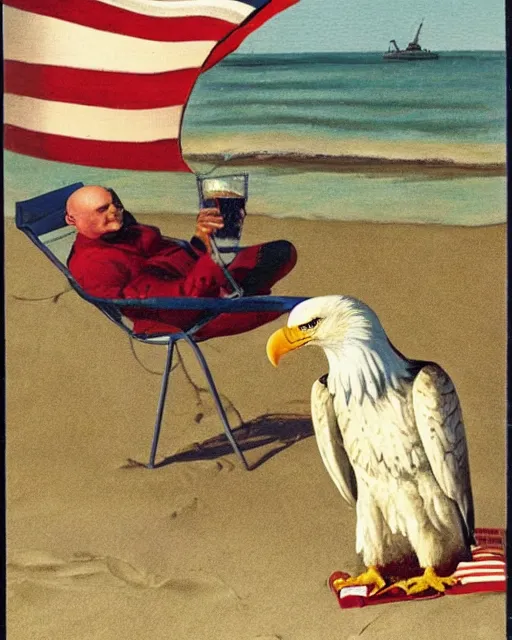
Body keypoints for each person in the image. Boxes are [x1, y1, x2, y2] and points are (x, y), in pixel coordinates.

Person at [65, 185, 297, 339]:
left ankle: (236, 289)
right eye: (102, 209)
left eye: (115, 204)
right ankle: (238, 293)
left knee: (281, 252)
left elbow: (173, 258)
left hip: (196, 280)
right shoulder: (96, 264)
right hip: (186, 314)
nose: (115, 211)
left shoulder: (125, 234)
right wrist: (214, 256)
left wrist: (201, 238)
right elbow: (176, 300)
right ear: (72, 220)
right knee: (297, 309)